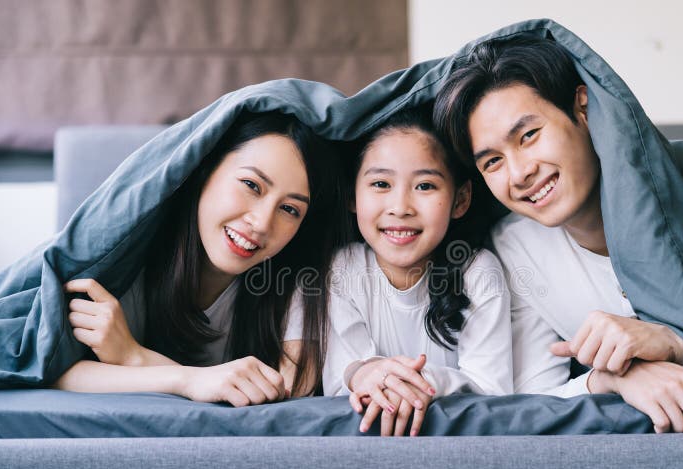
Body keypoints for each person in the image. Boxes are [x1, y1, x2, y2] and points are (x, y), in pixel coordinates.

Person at [433, 35, 683, 433]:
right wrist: (612, 379)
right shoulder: (514, 248)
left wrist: (678, 348)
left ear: (581, 108)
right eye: (493, 161)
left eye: (529, 135)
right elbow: (531, 402)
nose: (519, 174)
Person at [54, 111, 345, 405]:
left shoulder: (297, 285)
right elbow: (55, 373)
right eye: (252, 185)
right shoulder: (129, 263)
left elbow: (289, 401)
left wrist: (135, 357)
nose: (261, 223)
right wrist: (190, 379)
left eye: (290, 209)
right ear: (205, 169)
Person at [322, 107, 513, 436]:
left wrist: (423, 382)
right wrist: (368, 374)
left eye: (425, 186)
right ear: (353, 194)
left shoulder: (478, 271)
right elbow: (343, 376)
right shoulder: (342, 269)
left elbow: (494, 391)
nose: (400, 207)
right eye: (381, 183)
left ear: (460, 199)